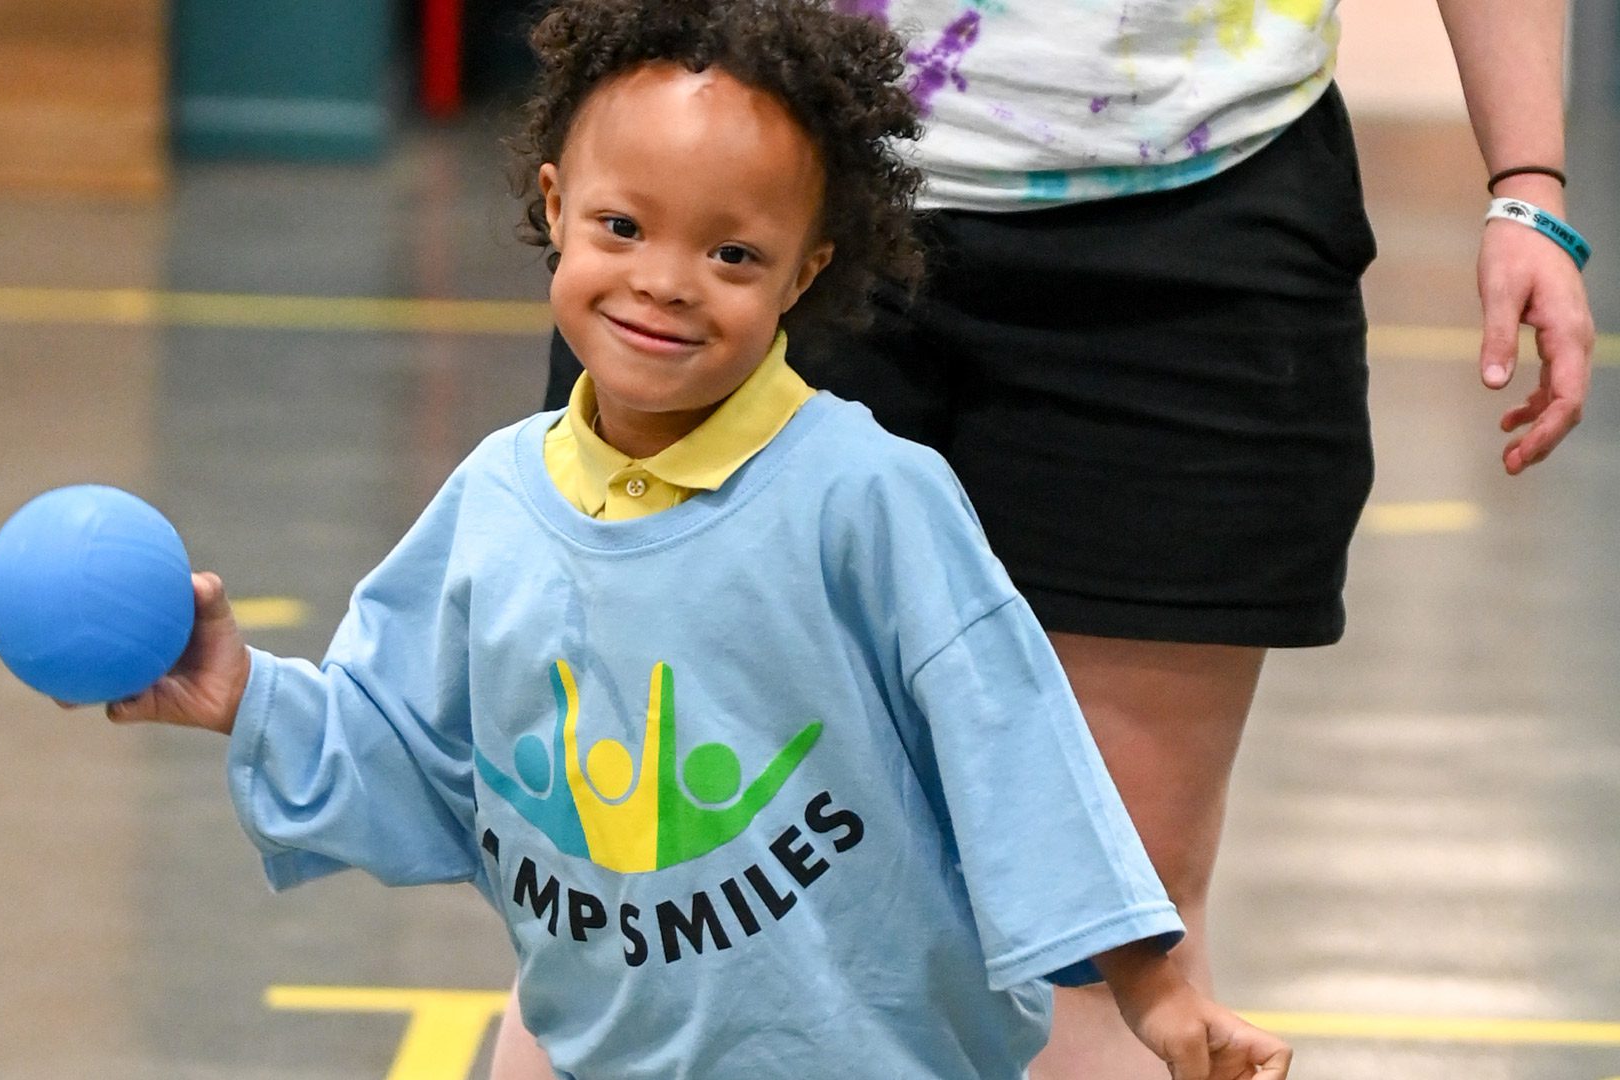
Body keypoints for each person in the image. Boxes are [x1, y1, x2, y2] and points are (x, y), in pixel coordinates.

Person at [91, 1, 1294, 1076]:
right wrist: (243, 695)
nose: (665, 282)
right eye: (622, 225)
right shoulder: (499, 495)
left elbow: (1019, 752)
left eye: (731, 254)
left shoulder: (867, 496)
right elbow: (401, 738)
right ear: (556, 207)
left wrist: (1157, 985)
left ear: (803, 272)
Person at [502, 0, 1596, 1076]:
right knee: (642, 872)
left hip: (1192, 205)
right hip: (740, 179)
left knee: (1115, 917)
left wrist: (1526, 184)